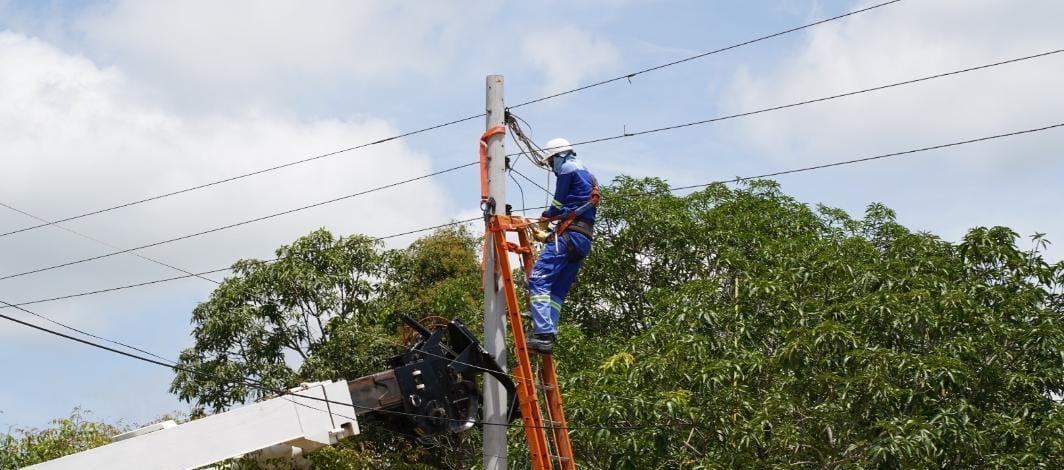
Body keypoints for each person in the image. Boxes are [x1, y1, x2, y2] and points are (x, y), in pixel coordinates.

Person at [526, 138, 598, 354]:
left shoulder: (567, 168)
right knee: (556, 291)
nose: (551, 167)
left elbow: (558, 205)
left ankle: (544, 332)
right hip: (583, 238)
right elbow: (575, 206)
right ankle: (548, 331)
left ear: (558, 156)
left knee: (538, 278)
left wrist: (545, 218)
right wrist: (548, 234)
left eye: (550, 162)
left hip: (570, 235)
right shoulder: (588, 174)